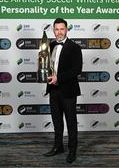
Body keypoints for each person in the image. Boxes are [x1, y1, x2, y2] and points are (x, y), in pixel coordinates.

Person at [43, 18, 83, 164]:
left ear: (66, 30)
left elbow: (76, 70)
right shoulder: (50, 45)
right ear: (53, 30)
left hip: (68, 91)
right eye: (57, 29)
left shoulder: (74, 47)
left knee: (71, 123)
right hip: (53, 90)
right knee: (57, 121)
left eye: (62, 29)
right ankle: (58, 146)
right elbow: (47, 66)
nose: (59, 32)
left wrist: (58, 78)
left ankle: (72, 151)